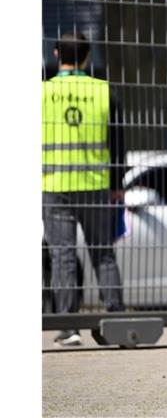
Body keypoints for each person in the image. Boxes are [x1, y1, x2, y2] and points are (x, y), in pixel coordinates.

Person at [42, 32, 126, 346]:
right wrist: (117, 185)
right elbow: (118, 142)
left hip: (54, 186)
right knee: (103, 254)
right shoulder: (104, 92)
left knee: (62, 255)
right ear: (87, 57)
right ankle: (115, 318)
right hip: (95, 186)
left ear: (55, 54)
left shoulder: (41, 93)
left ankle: (69, 326)